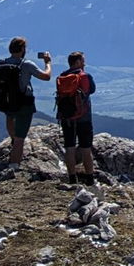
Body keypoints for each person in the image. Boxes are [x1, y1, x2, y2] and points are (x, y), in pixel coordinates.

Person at [0, 37, 51, 165]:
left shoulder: (0, 64)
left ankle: (13, 145)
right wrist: (48, 63)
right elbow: (46, 76)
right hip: (24, 103)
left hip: (8, 102)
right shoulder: (26, 64)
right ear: (22, 49)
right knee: (20, 138)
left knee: (11, 124)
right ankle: (14, 165)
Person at [55, 51, 98, 185]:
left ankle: (72, 178)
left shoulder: (62, 77)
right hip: (84, 118)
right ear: (78, 62)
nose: (84, 62)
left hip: (67, 118)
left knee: (69, 148)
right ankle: (90, 178)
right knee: (86, 149)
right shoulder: (85, 76)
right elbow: (92, 90)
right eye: (83, 60)